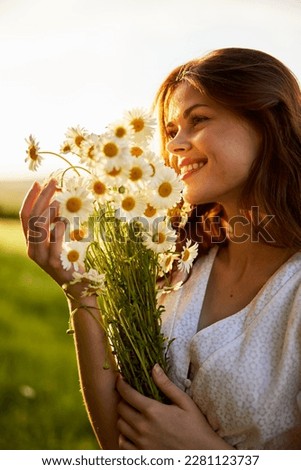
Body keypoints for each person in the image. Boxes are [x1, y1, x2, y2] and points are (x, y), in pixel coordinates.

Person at [20, 47, 301, 450]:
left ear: (266, 120)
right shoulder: (181, 265)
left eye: (198, 120)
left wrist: (204, 453)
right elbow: (120, 445)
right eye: (171, 132)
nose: (175, 147)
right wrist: (78, 290)